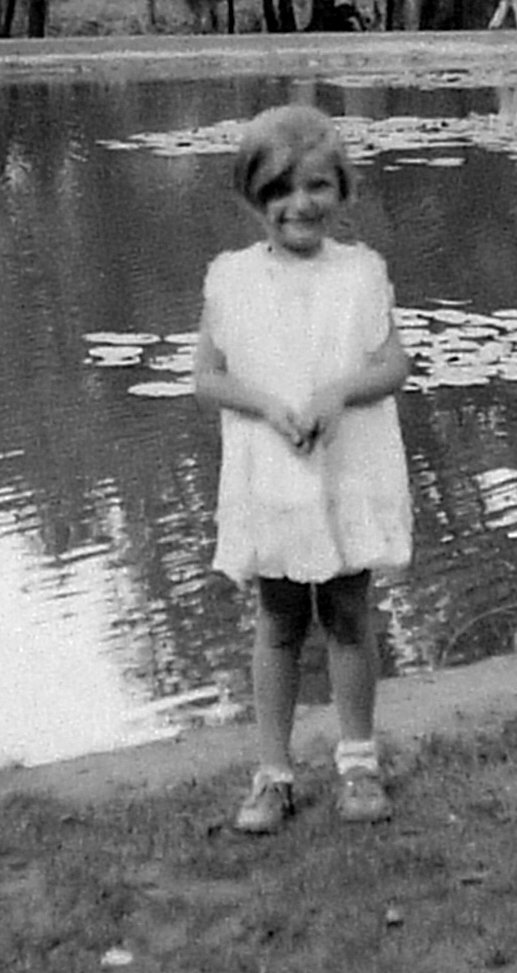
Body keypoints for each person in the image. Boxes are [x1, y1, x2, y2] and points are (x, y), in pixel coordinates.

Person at [193, 104, 412, 834]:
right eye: (280, 191)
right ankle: (273, 773)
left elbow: (394, 365)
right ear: (254, 197)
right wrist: (264, 404)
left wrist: (338, 392)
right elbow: (207, 379)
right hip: (274, 475)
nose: (300, 205)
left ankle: (358, 761)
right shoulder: (231, 279)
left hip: (346, 471)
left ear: (341, 189)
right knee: (279, 620)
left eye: (317, 186)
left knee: (349, 613)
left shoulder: (361, 273)